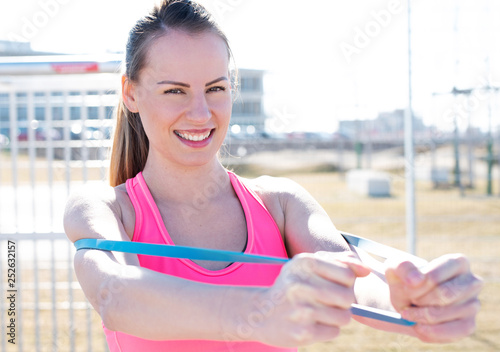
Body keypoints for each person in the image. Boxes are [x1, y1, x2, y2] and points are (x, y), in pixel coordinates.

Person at [63, 1, 483, 351]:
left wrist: (407, 301)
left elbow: (349, 278)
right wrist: (261, 311)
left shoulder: (280, 202)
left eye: (215, 88)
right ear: (130, 93)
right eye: (175, 90)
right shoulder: (105, 208)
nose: (200, 112)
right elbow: (114, 295)